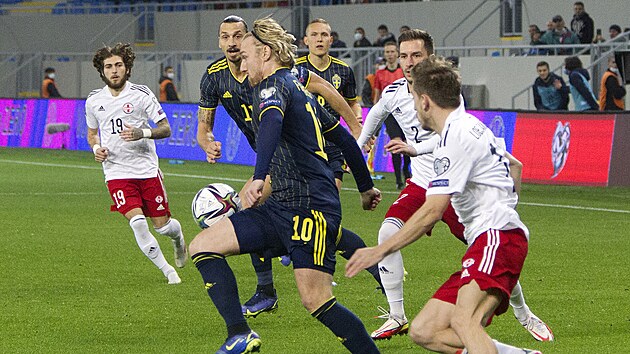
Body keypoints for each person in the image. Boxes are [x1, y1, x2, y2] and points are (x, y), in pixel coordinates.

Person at [189, 16, 382, 353]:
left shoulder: (272, 87)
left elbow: (271, 123)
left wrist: (260, 175)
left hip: (309, 210)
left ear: (265, 53)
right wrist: (365, 187)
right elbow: (343, 139)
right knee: (203, 246)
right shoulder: (297, 88)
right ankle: (239, 333)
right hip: (281, 205)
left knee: (317, 301)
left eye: (247, 54)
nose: (243, 62)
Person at [356, 30, 553, 343]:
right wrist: (362, 142)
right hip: (425, 182)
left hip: (453, 188)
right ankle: (397, 315)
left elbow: (446, 149)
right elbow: (375, 114)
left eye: (415, 56)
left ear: (429, 60)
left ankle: (522, 311)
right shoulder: (398, 94)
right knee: (428, 325)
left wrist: (416, 149)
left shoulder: (448, 107)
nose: (408, 62)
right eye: (403, 56)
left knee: (484, 263)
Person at [85, 43, 187, 285]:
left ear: (127, 67)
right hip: (116, 172)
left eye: (118, 65)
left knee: (163, 227)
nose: (114, 70)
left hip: (147, 170)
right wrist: (96, 148)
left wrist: (142, 133)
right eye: (108, 66)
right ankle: (168, 272)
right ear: (102, 71)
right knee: (138, 223)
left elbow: (166, 128)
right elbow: (92, 134)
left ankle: (178, 239)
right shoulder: (93, 101)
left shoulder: (141, 94)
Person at [373, 41, 411, 190]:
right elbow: (377, 96)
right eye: (387, 52)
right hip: (390, 114)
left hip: (406, 112)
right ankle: (398, 179)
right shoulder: (379, 74)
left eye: (392, 51)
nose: (390, 54)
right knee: (396, 142)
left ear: (397, 54)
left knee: (407, 143)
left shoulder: (404, 71)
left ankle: (406, 170)